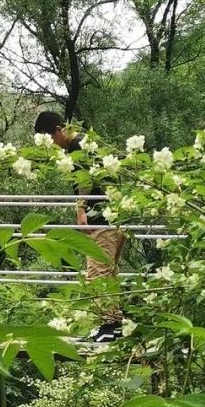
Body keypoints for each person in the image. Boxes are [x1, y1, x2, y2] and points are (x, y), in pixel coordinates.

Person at [34, 110, 126, 343]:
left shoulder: (77, 146)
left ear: (57, 130)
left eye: (51, 140)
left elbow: (85, 180)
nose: (53, 146)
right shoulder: (88, 142)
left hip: (101, 219)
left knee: (97, 272)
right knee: (109, 271)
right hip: (114, 216)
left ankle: (108, 325)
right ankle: (114, 322)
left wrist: (81, 211)